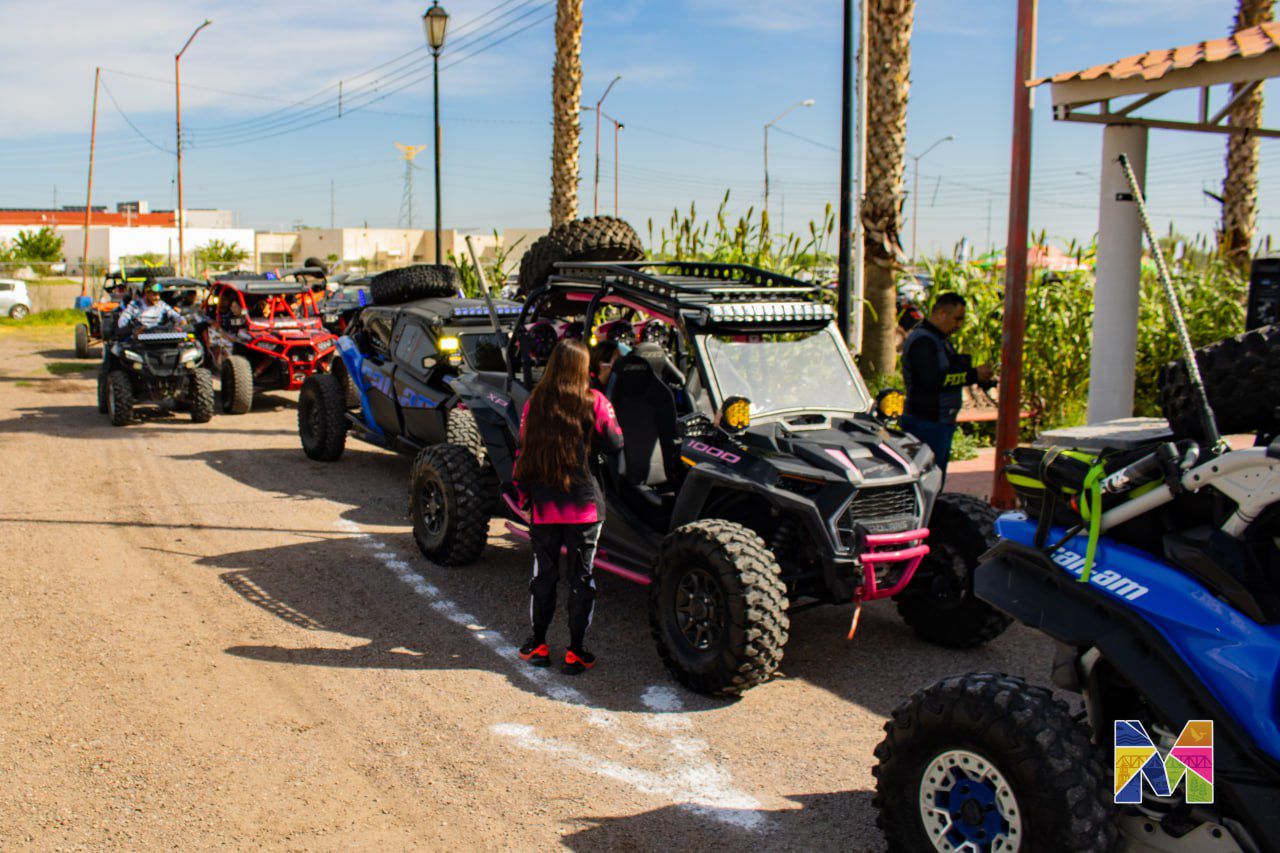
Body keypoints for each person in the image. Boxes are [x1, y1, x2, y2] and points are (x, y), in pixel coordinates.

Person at [513, 339, 624, 674]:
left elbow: (521, 455)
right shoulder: (596, 402)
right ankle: (576, 651)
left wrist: (523, 500)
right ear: (582, 368)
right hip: (586, 508)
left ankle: (538, 643)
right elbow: (617, 443)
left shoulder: (536, 403)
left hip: (545, 507)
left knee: (543, 575)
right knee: (582, 577)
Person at [900, 292, 995, 480]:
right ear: (942, 313)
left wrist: (975, 375)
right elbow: (934, 380)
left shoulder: (938, 340)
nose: (959, 325)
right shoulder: (923, 341)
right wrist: (973, 375)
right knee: (926, 481)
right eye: (956, 319)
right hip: (925, 423)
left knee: (935, 480)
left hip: (940, 422)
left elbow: (950, 373)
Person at [117, 282, 185, 331]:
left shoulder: (162, 305)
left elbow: (173, 314)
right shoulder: (135, 305)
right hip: (139, 338)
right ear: (146, 293)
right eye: (154, 295)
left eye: (158, 295)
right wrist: (124, 328)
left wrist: (182, 321)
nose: (157, 297)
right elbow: (124, 318)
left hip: (160, 336)